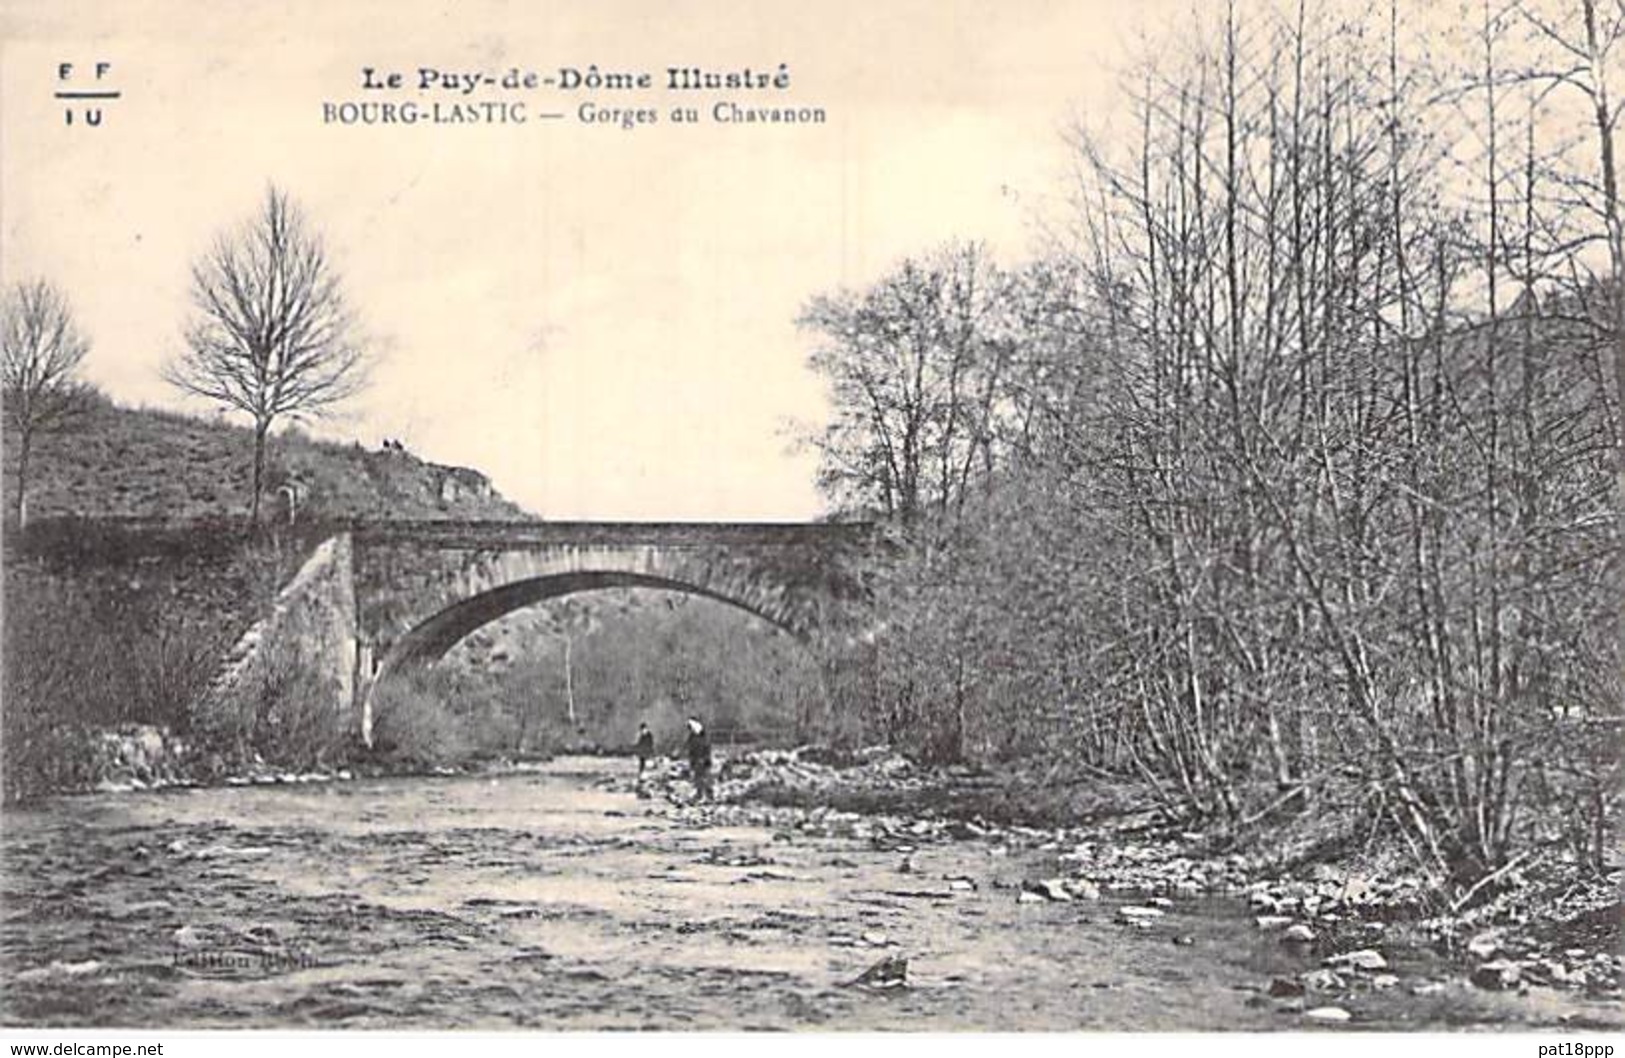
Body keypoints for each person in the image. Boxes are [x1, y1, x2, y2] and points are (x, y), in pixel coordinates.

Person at [685, 716, 714, 802]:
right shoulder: (693, 736)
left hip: (703, 760)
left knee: (705, 778)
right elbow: (690, 749)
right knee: (698, 779)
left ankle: (709, 795)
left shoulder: (702, 737)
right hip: (697, 760)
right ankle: (700, 794)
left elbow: (707, 748)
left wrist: (705, 758)